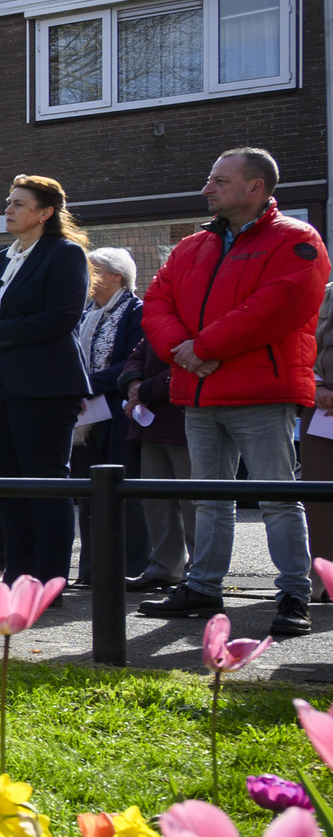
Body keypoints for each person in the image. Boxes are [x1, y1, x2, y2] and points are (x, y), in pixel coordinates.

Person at [138, 147, 329, 634]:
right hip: (200, 392)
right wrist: (184, 349)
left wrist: (199, 348)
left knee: (277, 497)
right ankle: (203, 586)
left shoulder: (296, 240)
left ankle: (292, 595)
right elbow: (157, 300)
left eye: (219, 181)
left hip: (259, 393)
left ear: (255, 188)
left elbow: (279, 306)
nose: (207, 188)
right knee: (209, 497)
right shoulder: (191, 246)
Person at [0, 175, 92, 593]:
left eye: (19, 203)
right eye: (8, 201)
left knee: (46, 483)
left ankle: (50, 581)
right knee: (9, 485)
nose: (8, 209)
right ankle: (18, 577)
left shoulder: (64, 254)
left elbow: (61, 317)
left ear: (45, 212)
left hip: (45, 386)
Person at [70, 246, 146, 583]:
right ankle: (91, 570)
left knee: (121, 492)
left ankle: (130, 568)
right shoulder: (84, 312)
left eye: (95, 269)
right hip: (84, 416)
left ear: (117, 275)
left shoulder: (135, 311)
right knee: (89, 495)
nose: (87, 275)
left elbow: (130, 364)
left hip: (117, 413)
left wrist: (83, 385)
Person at [118, 332, 196, 590]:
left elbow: (189, 362)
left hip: (184, 418)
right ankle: (164, 567)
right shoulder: (159, 315)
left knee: (193, 502)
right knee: (155, 500)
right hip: (151, 419)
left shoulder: (192, 308)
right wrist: (133, 383)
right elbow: (137, 354)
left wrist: (146, 389)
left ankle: (199, 572)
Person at [308, 281, 333, 590]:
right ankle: (323, 578)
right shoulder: (324, 292)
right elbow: (304, 345)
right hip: (321, 408)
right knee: (319, 498)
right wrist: (316, 387)